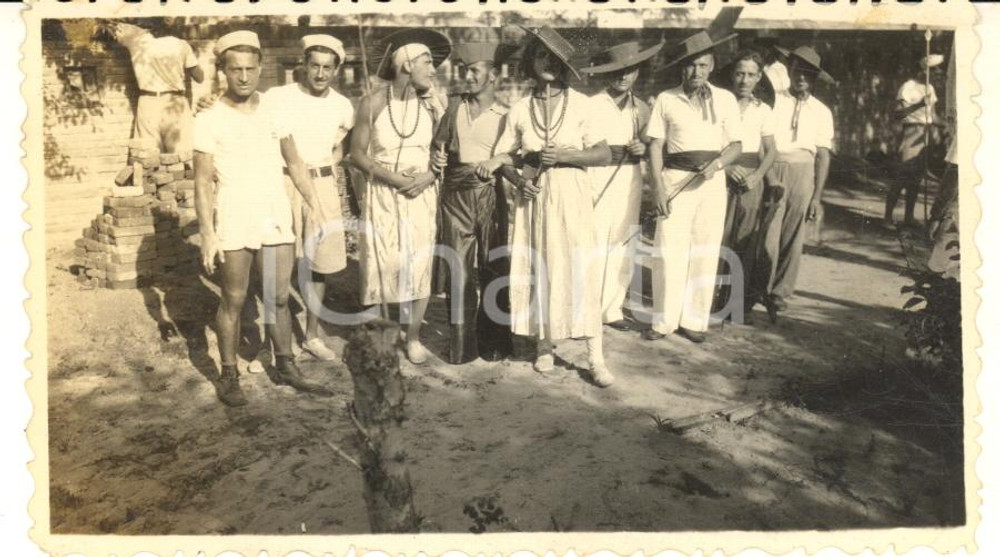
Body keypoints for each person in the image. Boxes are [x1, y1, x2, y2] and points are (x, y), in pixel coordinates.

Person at [193, 30, 334, 407]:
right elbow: (203, 182)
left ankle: (285, 365)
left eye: (250, 69)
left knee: (277, 298)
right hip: (235, 214)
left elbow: (295, 162)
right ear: (222, 70)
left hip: (274, 210)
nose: (243, 76)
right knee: (234, 299)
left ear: (260, 69)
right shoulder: (209, 118)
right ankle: (228, 375)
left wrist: (314, 207)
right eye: (235, 69)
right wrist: (207, 232)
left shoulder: (274, 109)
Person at [485, 26, 615, 387]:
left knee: (579, 268)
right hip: (534, 197)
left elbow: (604, 153)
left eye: (554, 58)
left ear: (564, 64)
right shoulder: (521, 109)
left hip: (572, 193)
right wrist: (518, 181)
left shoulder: (583, 105)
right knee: (538, 265)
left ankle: (595, 356)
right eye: (541, 55)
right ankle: (544, 345)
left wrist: (569, 154)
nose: (547, 63)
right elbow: (503, 156)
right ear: (531, 60)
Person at [348, 29, 450, 365]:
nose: (433, 69)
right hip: (382, 192)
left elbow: (442, 153)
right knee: (383, 265)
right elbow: (357, 155)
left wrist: (427, 177)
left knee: (418, 264)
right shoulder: (373, 102)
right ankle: (386, 337)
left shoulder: (434, 104)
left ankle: (414, 337)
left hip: (421, 193)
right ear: (406, 64)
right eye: (428, 62)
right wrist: (392, 178)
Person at [644, 30, 743, 344]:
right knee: (668, 250)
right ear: (681, 68)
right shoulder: (666, 98)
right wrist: (657, 188)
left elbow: (736, 146)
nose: (696, 72)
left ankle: (694, 319)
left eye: (702, 65)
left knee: (705, 247)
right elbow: (655, 147)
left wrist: (715, 165)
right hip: (675, 180)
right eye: (690, 66)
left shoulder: (726, 99)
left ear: (712, 65)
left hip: (711, 182)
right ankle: (663, 321)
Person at [263, 34, 355, 363]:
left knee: (318, 264)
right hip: (283, 183)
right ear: (302, 65)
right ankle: (270, 344)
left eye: (327, 68)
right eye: (314, 65)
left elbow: (338, 146)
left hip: (323, 186)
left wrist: (326, 175)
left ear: (337, 70)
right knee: (276, 265)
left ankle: (312, 336)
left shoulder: (342, 106)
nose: (320, 74)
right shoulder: (277, 96)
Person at [430, 41, 515, 364]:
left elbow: (518, 153)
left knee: (494, 266)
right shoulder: (454, 107)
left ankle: (494, 342)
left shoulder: (505, 114)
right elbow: (437, 144)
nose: (469, 77)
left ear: (493, 77)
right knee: (458, 269)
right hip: (454, 195)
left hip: (490, 193)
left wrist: (500, 158)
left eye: (475, 71)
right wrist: (436, 156)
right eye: (466, 71)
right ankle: (462, 345)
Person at [579, 40, 660, 332]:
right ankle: (584, 308)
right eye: (617, 71)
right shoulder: (591, 105)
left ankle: (611, 308)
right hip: (597, 177)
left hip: (629, 180)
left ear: (637, 72)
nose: (623, 76)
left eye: (629, 70)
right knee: (594, 242)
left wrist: (642, 146)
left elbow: (651, 142)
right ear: (607, 73)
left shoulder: (642, 108)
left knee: (624, 242)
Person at [758, 45, 835, 312]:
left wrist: (817, 197)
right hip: (774, 167)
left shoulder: (822, 111)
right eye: (797, 71)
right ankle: (759, 287)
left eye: (807, 73)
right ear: (788, 71)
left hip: (803, 173)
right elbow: (762, 141)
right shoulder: (773, 100)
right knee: (768, 231)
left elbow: (823, 156)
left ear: (814, 77)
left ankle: (779, 291)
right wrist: (768, 176)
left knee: (793, 235)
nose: (801, 77)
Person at [715, 49, 778, 321]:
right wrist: (726, 166)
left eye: (751, 74)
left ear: (759, 77)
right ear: (732, 74)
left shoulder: (763, 110)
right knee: (716, 235)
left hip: (751, 177)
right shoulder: (718, 102)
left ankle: (733, 306)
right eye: (740, 73)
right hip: (719, 171)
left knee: (743, 241)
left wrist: (757, 176)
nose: (744, 79)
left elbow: (771, 150)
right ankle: (706, 300)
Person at [111, 19, 204, 154]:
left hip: (148, 102)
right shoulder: (181, 45)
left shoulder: (137, 40)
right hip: (175, 102)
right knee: (182, 157)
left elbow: (111, 23)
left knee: (148, 156)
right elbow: (200, 77)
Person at [885, 54, 944, 228]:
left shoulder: (930, 88)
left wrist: (948, 124)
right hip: (911, 133)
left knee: (916, 179)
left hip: (924, 135)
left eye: (937, 70)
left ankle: (908, 217)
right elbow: (897, 114)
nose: (937, 73)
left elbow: (932, 116)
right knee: (902, 177)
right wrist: (919, 105)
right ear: (924, 70)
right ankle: (887, 218)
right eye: (933, 70)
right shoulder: (908, 87)